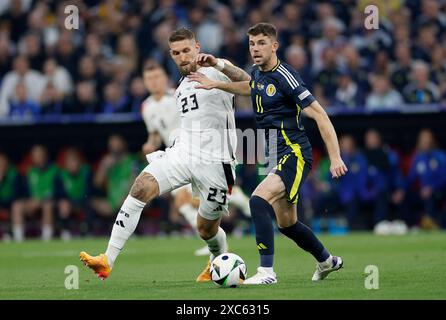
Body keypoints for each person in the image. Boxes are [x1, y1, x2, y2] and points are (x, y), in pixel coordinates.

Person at [188, 22, 347, 284]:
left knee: (257, 200)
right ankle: (327, 261)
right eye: (251, 44)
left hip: (294, 152)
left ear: (274, 46)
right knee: (288, 225)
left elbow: (320, 114)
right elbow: (250, 87)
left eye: (261, 43)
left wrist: (336, 156)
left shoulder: (286, 76)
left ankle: (266, 272)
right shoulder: (259, 74)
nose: (255, 48)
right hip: (275, 154)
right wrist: (215, 84)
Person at [80, 28, 242, 282]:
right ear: (171, 55)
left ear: (197, 47)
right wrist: (154, 142)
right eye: (176, 53)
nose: (182, 56)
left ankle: (217, 259)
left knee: (206, 228)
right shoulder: (179, 89)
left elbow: (250, 84)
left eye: (187, 50)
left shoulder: (215, 69)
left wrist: (220, 66)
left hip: (216, 162)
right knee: (141, 187)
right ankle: (107, 259)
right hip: (183, 153)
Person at [141, 62, 251, 256]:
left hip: (193, 153)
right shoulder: (147, 107)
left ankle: (235, 201)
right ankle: (212, 237)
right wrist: (151, 143)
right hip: (175, 156)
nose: (154, 82)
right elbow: (156, 133)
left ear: (165, 78)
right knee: (183, 204)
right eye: (149, 78)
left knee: (188, 200)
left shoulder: (178, 95)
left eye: (157, 77)